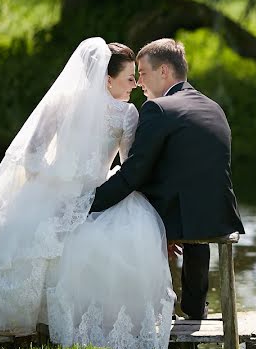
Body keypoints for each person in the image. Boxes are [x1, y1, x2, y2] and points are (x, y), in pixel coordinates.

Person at [0, 38, 174, 349]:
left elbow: (37, 157)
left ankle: (51, 322)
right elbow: (124, 167)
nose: (135, 86)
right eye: (129, 79)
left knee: (52, 241)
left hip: (76, 192)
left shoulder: (97, 109)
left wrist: (67, 183)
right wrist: (65, 182)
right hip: (73, 191)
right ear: (107, 79)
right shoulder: (107, 111)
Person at [90, 38, 244, 328]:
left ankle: (140, 310)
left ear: (164, 72)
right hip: (218, 212)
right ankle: (195, 307)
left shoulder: (159, 109)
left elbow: (133, 174)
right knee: (172, 205)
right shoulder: (213, 107)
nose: (139, 84)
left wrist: (89, 204)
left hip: (181, 212)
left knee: (125, 217)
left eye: (143, 74)